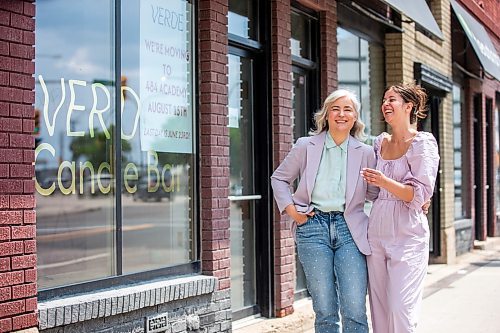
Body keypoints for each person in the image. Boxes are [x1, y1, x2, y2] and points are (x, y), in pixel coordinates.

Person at [271, 89, 378, 333]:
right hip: (312, 227)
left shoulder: (366, 153)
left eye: (347, 109)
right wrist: (293, 212)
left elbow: (375, 194)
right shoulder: (305, 146)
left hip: (350, 229)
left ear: (355, 118)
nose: (342, 114)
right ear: (326, 115)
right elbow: (279, 179)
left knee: (354, 308)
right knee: (325, 309)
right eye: (336, 109)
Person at [360, 83, 440, 333]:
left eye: (392, 99)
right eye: (384, 99)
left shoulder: (423, 143)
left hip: (408, 235)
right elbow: (373, 192)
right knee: (380, 310)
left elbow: (419, 195)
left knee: (400, 309)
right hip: (377, 232)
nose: (385, 104)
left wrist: (385, 181)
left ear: (409, 106)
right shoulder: (379, 143)